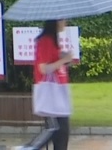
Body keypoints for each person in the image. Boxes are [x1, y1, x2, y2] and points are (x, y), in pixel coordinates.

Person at [30, 20, 74, 150]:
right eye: (63, 19)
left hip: (58, 93)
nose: (65, 22)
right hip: (50, 94)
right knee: (55, 130)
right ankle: (28, 148)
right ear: (55, 22)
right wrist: (63, 60)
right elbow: (43, 68)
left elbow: (54, 61)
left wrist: (64, 58)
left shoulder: (53, 41)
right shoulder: (46, 41)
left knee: (61, 132)